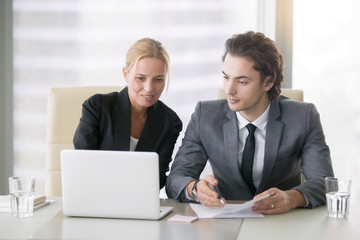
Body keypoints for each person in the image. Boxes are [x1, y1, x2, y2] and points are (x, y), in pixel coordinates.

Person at [166, 31, 334, 214]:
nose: (229, 90)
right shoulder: (204, 116)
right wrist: (195, 188)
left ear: (268, 83)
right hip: (226, 221)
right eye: (226, 77)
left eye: (242, 82)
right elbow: (176, 178)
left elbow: (324, 182)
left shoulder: (303, 117)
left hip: (283, 222)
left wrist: (291, 198)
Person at [73, 38, 182, 189]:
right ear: (126, 74)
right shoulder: (97, 108)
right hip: (95, 197)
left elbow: (157, 177)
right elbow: (82, 165)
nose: (149, 88)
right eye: (141, 78)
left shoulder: (170, 122)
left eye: (158, 79)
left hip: (138, 202)